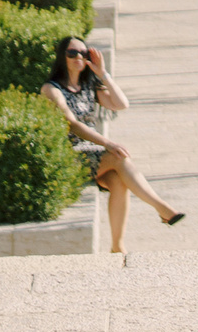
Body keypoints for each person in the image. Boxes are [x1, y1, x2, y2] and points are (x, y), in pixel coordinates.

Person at [42, 38, 186, 252]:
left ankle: (117, 245)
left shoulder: (89, 86)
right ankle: (161, 207)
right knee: (120, 158)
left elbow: (121, 104)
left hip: (91, 152)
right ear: (62, 56)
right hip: (68, 154)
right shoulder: (51, 89)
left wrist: (102, 74)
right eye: (72, 53)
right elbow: (71, 124)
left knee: (119, 181)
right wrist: (107, 143)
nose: (78, 57)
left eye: (84, 53)